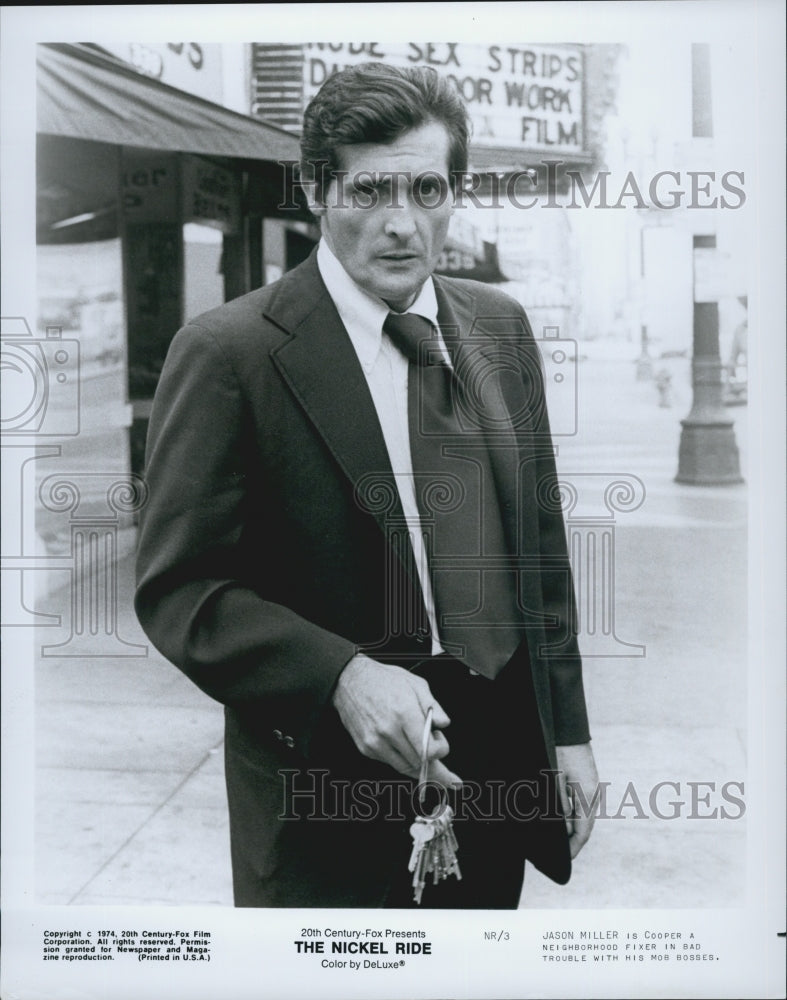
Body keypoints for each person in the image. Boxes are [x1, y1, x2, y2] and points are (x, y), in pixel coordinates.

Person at [135, 62, 598, 909]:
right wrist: (338, 674)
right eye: (370, 191)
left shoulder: (499, 327)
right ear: (317, 189)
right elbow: (179, 588)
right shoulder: (229, 353)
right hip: (326, 798)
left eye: (427, 189)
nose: (400, 225)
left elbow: (539, 549)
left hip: (496, 766)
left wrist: (566, 732)